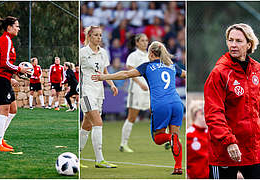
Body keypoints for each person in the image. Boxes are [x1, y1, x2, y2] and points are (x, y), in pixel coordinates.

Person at [92, 41, 186, 175]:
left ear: (151, 53)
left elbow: (125, 74)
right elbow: (185, 74)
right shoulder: (171, 66)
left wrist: (104, 77)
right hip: (177, 103)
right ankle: (178, 167)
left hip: (160, 104)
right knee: (174, 135)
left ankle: (171, 139)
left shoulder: (147, 66)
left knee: (159, 138)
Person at [204, 23, 260, 179]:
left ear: (249, 44)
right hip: (226, 151)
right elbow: (214, 114)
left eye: (238, 41)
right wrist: (229, 142)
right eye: (230, 40)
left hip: (255, 151)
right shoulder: (219, 73)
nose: (233, 45)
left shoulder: (258, 69)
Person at [79, 26, 118, 168]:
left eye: (100, 35)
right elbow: (77, 70)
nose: (99, 38)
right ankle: (99, 159)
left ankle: (77, 156)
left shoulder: (103, 53)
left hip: (99, 92)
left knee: (87, 125)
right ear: (89, 36)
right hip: (87, 92)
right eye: (96, 35)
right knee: (98, 122)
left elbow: (105, 71)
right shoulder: (82, 53)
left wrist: (112, 85)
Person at [0, 16, 30, 152]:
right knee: (4, 110)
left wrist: (14, 75)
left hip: (4, 78)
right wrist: (19, 69)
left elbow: (6, 64)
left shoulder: (7, 40)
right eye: (17, 26)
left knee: (13, 109)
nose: (18, 28)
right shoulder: (5, 40)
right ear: (9, 27)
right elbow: (4, 63)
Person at [119, 33, 150, 153]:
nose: (145, 43)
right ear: (137, 43)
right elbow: (130, 71)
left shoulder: (150, 55)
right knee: (132, 116)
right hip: (136, 90)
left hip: (149, 89)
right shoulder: (133, 55)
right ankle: (123, 144)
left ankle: (167, 140)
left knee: (158, 112)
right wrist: (140, 83)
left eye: (146, 40)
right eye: (142, 40)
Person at [186, 100, 209, 179]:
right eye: (203, 113)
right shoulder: (189, 135)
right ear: (196, 114)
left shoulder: (213, 134)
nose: (207, 116)